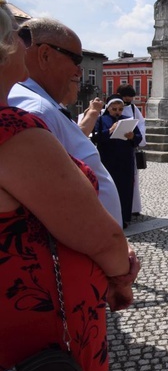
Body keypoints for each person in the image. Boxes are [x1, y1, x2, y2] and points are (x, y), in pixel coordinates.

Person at [0, 0, 139, 371]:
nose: (21, 46)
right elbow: (97, 234)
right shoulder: (11, 129)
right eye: (14, 38)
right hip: (39, 337)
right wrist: (119, 273)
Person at [9, 17, 123, 227]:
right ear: (45, 55)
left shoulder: (42, 105)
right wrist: (111, 248)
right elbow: (52, 206)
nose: (79, 72)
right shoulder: (36, 111)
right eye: (76, 61)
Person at [93, 95, 143, 227]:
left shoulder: (128, 120)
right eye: (114, 109)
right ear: (108, 108)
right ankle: (109, 217)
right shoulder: (101, 120)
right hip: (108, 160)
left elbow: (138, 138)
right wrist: (110, 130)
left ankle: (124, 217)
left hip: (125, 160)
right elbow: (95, 138)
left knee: (125, 189)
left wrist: (133, 136)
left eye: (120, 109)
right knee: (110, 189)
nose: (117, 112)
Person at [117, 84, 147, 216]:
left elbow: (141, 124)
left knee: (133, 178)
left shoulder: (134, 109)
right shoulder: (113, 107)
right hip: (116, 147)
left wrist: (138, 138)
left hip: (130, 145)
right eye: (126, 98)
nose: (128, 101)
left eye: (130, 98)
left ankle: (133, 207)